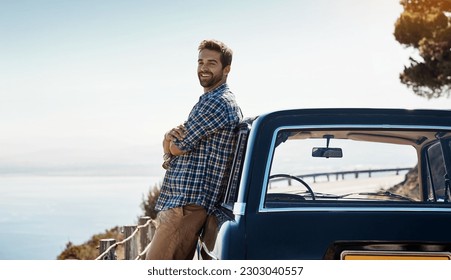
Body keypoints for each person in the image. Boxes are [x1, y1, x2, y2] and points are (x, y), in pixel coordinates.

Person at [146, 39, 242, 260]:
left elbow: (178, 146)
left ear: (226, 69)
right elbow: (177, 149)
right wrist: (169, 147)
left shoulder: (217, 102)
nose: (204, 68)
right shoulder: (209, 100)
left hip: (186, 206)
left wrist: (166, 141)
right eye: (200, 62)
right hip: (184, 204)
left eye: (211, 63)